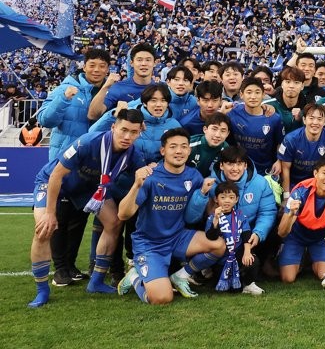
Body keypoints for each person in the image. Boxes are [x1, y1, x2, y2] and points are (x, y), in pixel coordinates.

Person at [27, 109, 145, 307]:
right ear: (113, 127)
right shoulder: (88, 142)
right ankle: (42, 290)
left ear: (139, 133)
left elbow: (143, 176)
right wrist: (50, 213)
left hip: (88, 188)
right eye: (123, 130)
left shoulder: (134, 155)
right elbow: (56, 175)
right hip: (53, 183)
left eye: (133, 132)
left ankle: (96, 281)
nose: (127, 136)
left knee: (114, 223)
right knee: (44, 230)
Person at [117, 128, 226, 303]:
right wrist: (136, 185)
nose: (179, 151)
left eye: (183, 146)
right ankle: (135, 277)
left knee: (219, 245)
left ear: (189, 151)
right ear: (163, 151)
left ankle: (181, 276)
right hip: (150, 243)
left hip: (178, 237)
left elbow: (201, 206)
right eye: (173, 146)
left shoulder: (193, 176)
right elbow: (123, 214)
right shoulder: (150, 177)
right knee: (162, 298)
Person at [185, 145, 277, 295]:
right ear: (221, 165)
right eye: (230, 163)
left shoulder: (260, 183)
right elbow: (190, 217)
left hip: (247, 235)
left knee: (272, 229)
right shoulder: (210, 183)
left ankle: (259, 268)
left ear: (245, 165)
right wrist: (202, 194)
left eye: (239, 164)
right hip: (219, 238)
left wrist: (258, 233)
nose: (235, 168)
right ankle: (204, 267)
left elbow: (267, 212)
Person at [277, 155, 325, 287]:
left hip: (320, 237)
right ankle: (296, 256)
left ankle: (309, 258)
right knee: (288, 278)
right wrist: (290, 215)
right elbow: (282, 233)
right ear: (315, 173)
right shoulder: (300, 191)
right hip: (296, 236)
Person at [37, 47, 110, 161]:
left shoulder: (113, 93)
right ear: (84, 67)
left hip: (98, 159)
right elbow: (45, 121)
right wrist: (63, 99)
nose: (96, 70)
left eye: (102, 66)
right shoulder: (65, 88)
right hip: (65, 160)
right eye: (92, 65)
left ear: (107, 69)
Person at [202, 181, 256, 292]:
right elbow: (211, 237)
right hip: (221, 257)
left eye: (231, 197)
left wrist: (247, 252)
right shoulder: (212, 217)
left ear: (236, 199)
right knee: (229, 290)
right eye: (223, 197)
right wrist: (216, 220)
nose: (227, 200)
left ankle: (248, 284)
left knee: (253, 260)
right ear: (216, 199)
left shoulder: (240, 215)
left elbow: (246, 234)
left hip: (237, 254)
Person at [279, 104, 325, 197]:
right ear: (304, 120)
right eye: (311, 118)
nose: (315, 122)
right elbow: (285, 168)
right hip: (294, 185)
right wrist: (286, 196)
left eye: (319, 119)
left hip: (318, 185)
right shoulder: (291, 139)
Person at [228, 76, 284, 175]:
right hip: (238, 170)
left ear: (263, 95)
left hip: (265, 170)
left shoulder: (274, 118)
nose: (253, 96)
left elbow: (280, 143)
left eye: (257, 92)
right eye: (249, 92)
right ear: (241, 94)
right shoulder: (232, 112)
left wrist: (279, 161)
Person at [88, 42, 157, 121]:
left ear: (154, 63)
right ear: (131, 63)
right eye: (139, 60)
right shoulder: (119, 88)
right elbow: (93, 115)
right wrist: (105, 87)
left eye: (148, 60)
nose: (144, 64)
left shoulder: (160, 89)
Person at [187, 112, 232, 177]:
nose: (217, 135)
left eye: (223, 131)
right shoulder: (189, 144)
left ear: (227, 134)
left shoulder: (226, 149)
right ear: (205, 129)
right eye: (214, 129)